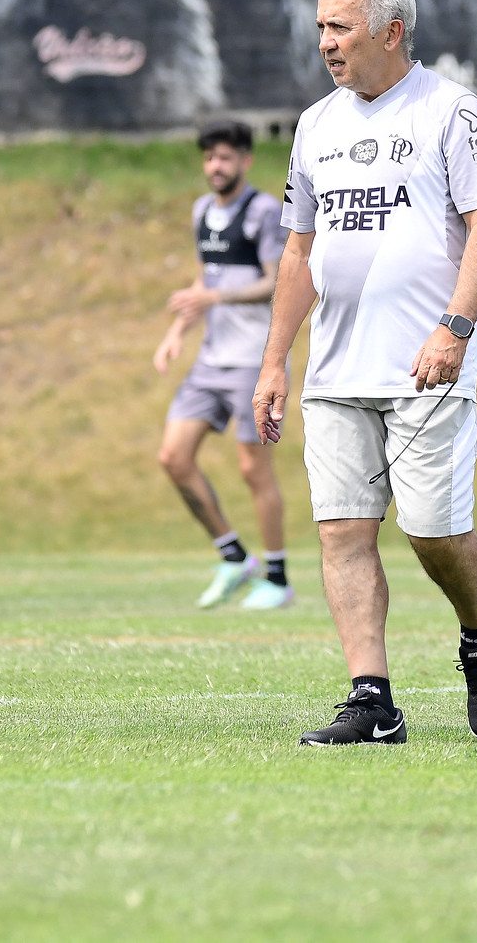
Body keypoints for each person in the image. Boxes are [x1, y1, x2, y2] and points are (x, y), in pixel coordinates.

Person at [253, 0, 477, 746]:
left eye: (340, 27)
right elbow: (300, 251)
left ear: (391, 30)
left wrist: (455, 328)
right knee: (342, 530)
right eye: (321, 29)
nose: (327, 44)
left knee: (432, 532)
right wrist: (275, 360)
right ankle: (372, 699)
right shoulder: (316, 125)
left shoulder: (451, 112)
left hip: (425, 363)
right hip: (337, 370)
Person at [153, 120, 293, 609]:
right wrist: (176, 332)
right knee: (173, 457)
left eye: (226, 157)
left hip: (254, 362)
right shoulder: (200, 212)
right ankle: (234, 555)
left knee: (253, 470)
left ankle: (277, 579)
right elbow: (202, 279)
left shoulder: (263, 211)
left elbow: (276, 282)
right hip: (210, 360)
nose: (216, 166)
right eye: (210, 157)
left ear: (246, 161)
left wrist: (217, 296)